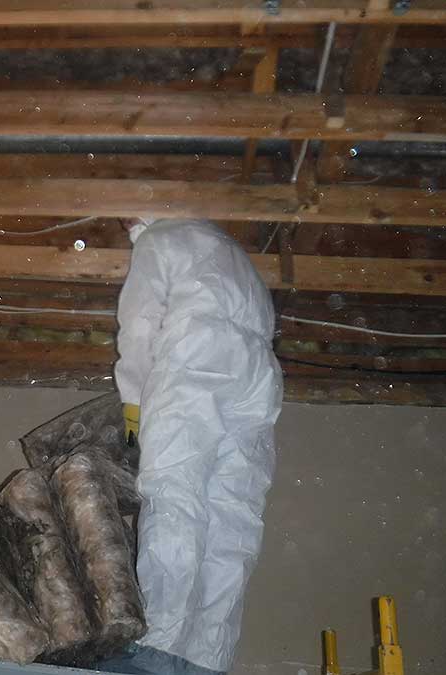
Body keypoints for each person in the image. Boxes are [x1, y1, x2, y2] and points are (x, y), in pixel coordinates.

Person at [112, 218, 283, 675]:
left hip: (197, 353)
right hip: (259, 368)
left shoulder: (159, 238)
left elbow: (140, 322)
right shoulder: (235, 255)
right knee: (233, 514)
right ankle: (206, 660)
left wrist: (133, 400)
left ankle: (154, 648)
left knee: (175, 492)